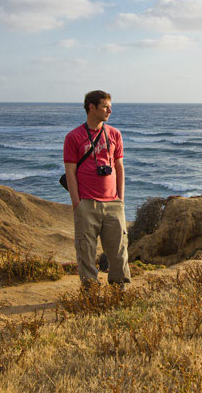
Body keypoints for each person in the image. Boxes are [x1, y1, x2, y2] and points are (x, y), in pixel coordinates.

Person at [63, 90, 131, 287]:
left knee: (119, 252)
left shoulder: (114, 134)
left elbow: (119, 167)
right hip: (87, 204)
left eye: (109, 106)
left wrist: (120, 199)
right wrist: (77, 203)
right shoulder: (73, 137)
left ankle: (121, 290)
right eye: (105, 106)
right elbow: (70, 171)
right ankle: (90, 293)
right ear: (91, 108)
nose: (110, 110)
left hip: (113, 204)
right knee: (86, 251)